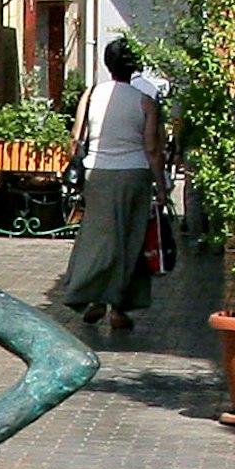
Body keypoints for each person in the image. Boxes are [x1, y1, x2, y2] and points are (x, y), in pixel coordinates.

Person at [53, 37, 167, 332]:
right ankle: (118, 307)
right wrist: (162, 187)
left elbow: (77, 137)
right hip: (133, 174)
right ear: (135, 66)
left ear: (108, 64)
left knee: (98, 238)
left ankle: (93, 298)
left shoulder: (90, 95)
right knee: (129, 241)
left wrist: (78, 174)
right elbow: (153, 148)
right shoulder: (145, 101)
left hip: (98, 174)